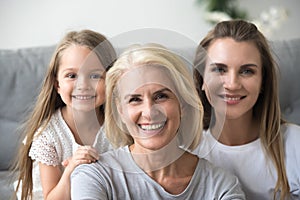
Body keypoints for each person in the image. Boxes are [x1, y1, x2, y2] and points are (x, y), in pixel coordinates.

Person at [71, 43, 246, 199]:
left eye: (161, 96)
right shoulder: (94, 176)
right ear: (121, 111)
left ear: (182, 104)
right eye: (135, 99)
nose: (149, 112)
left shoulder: (221, 186)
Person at [193, 19, 300, 200]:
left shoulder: (295, 143)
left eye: (247, 71)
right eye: (219, 69)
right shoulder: (187, 151)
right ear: (201, 78)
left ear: (263, 81)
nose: (232, 84)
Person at [12, 29, 116, 200]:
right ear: (57, 84)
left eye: (95, 75)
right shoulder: (47, 136)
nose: (83, 85)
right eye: (72, 75)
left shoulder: (118, 127)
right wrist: (71, 168)